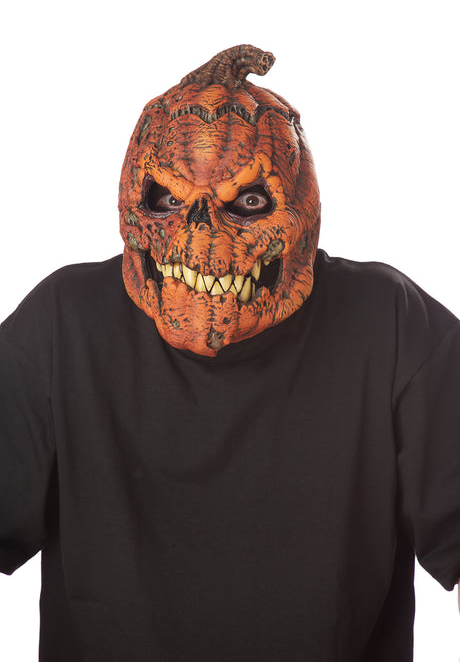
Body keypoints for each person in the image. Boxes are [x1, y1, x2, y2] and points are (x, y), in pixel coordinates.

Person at [1, 45, 459, 662]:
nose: (200, 236)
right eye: (167, 201)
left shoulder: (390, 323)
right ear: (132, 203)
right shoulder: (63, 323)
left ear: (303, 211)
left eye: (248, 203)